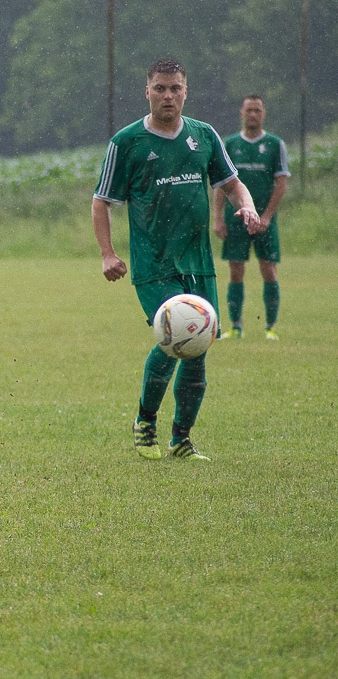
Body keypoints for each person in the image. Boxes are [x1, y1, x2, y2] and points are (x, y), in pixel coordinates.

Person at [92, 58, 261, 462]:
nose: (168, 95)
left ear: (186, 91)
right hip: (154, 265)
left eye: (175, 88)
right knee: (173, 340)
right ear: (147, 91)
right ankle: (145, 422)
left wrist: (248, 207)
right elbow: (101, 201)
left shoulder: (204, 136)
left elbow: (233, 183)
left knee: (198, 345)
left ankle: (181, 438)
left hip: (198, 262)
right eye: (160, 88)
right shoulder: (127, 142)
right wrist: (107, 254)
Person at [212, 94, 290, 341]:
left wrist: (266, 216)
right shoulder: (230, 144)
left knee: (268, 269)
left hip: (265, 221)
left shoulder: (275, 145)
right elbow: (220, 184)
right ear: (241, 113)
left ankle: (270, 327)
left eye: (257, 110)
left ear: (263, 114)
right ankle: (236, 326)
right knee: (236, 271)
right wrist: (217, 218)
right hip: (235, 218)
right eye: (249, 110)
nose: (253, 114)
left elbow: (281, 183)